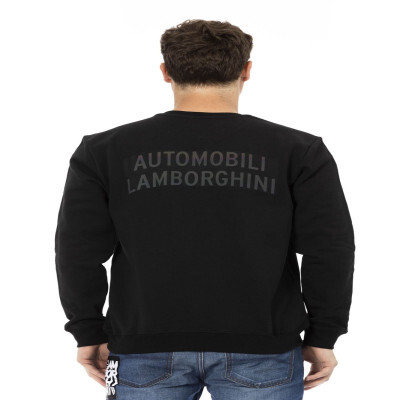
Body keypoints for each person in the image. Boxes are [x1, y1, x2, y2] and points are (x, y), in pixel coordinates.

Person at [54, 19, 355, 400]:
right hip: (263, 348)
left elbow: (77, 251)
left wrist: (87, 331)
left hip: (144, 346)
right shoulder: (299, 151)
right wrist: (323, 334)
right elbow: (329, 249)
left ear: (166, 72)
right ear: (246, 70)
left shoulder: (104, 151)